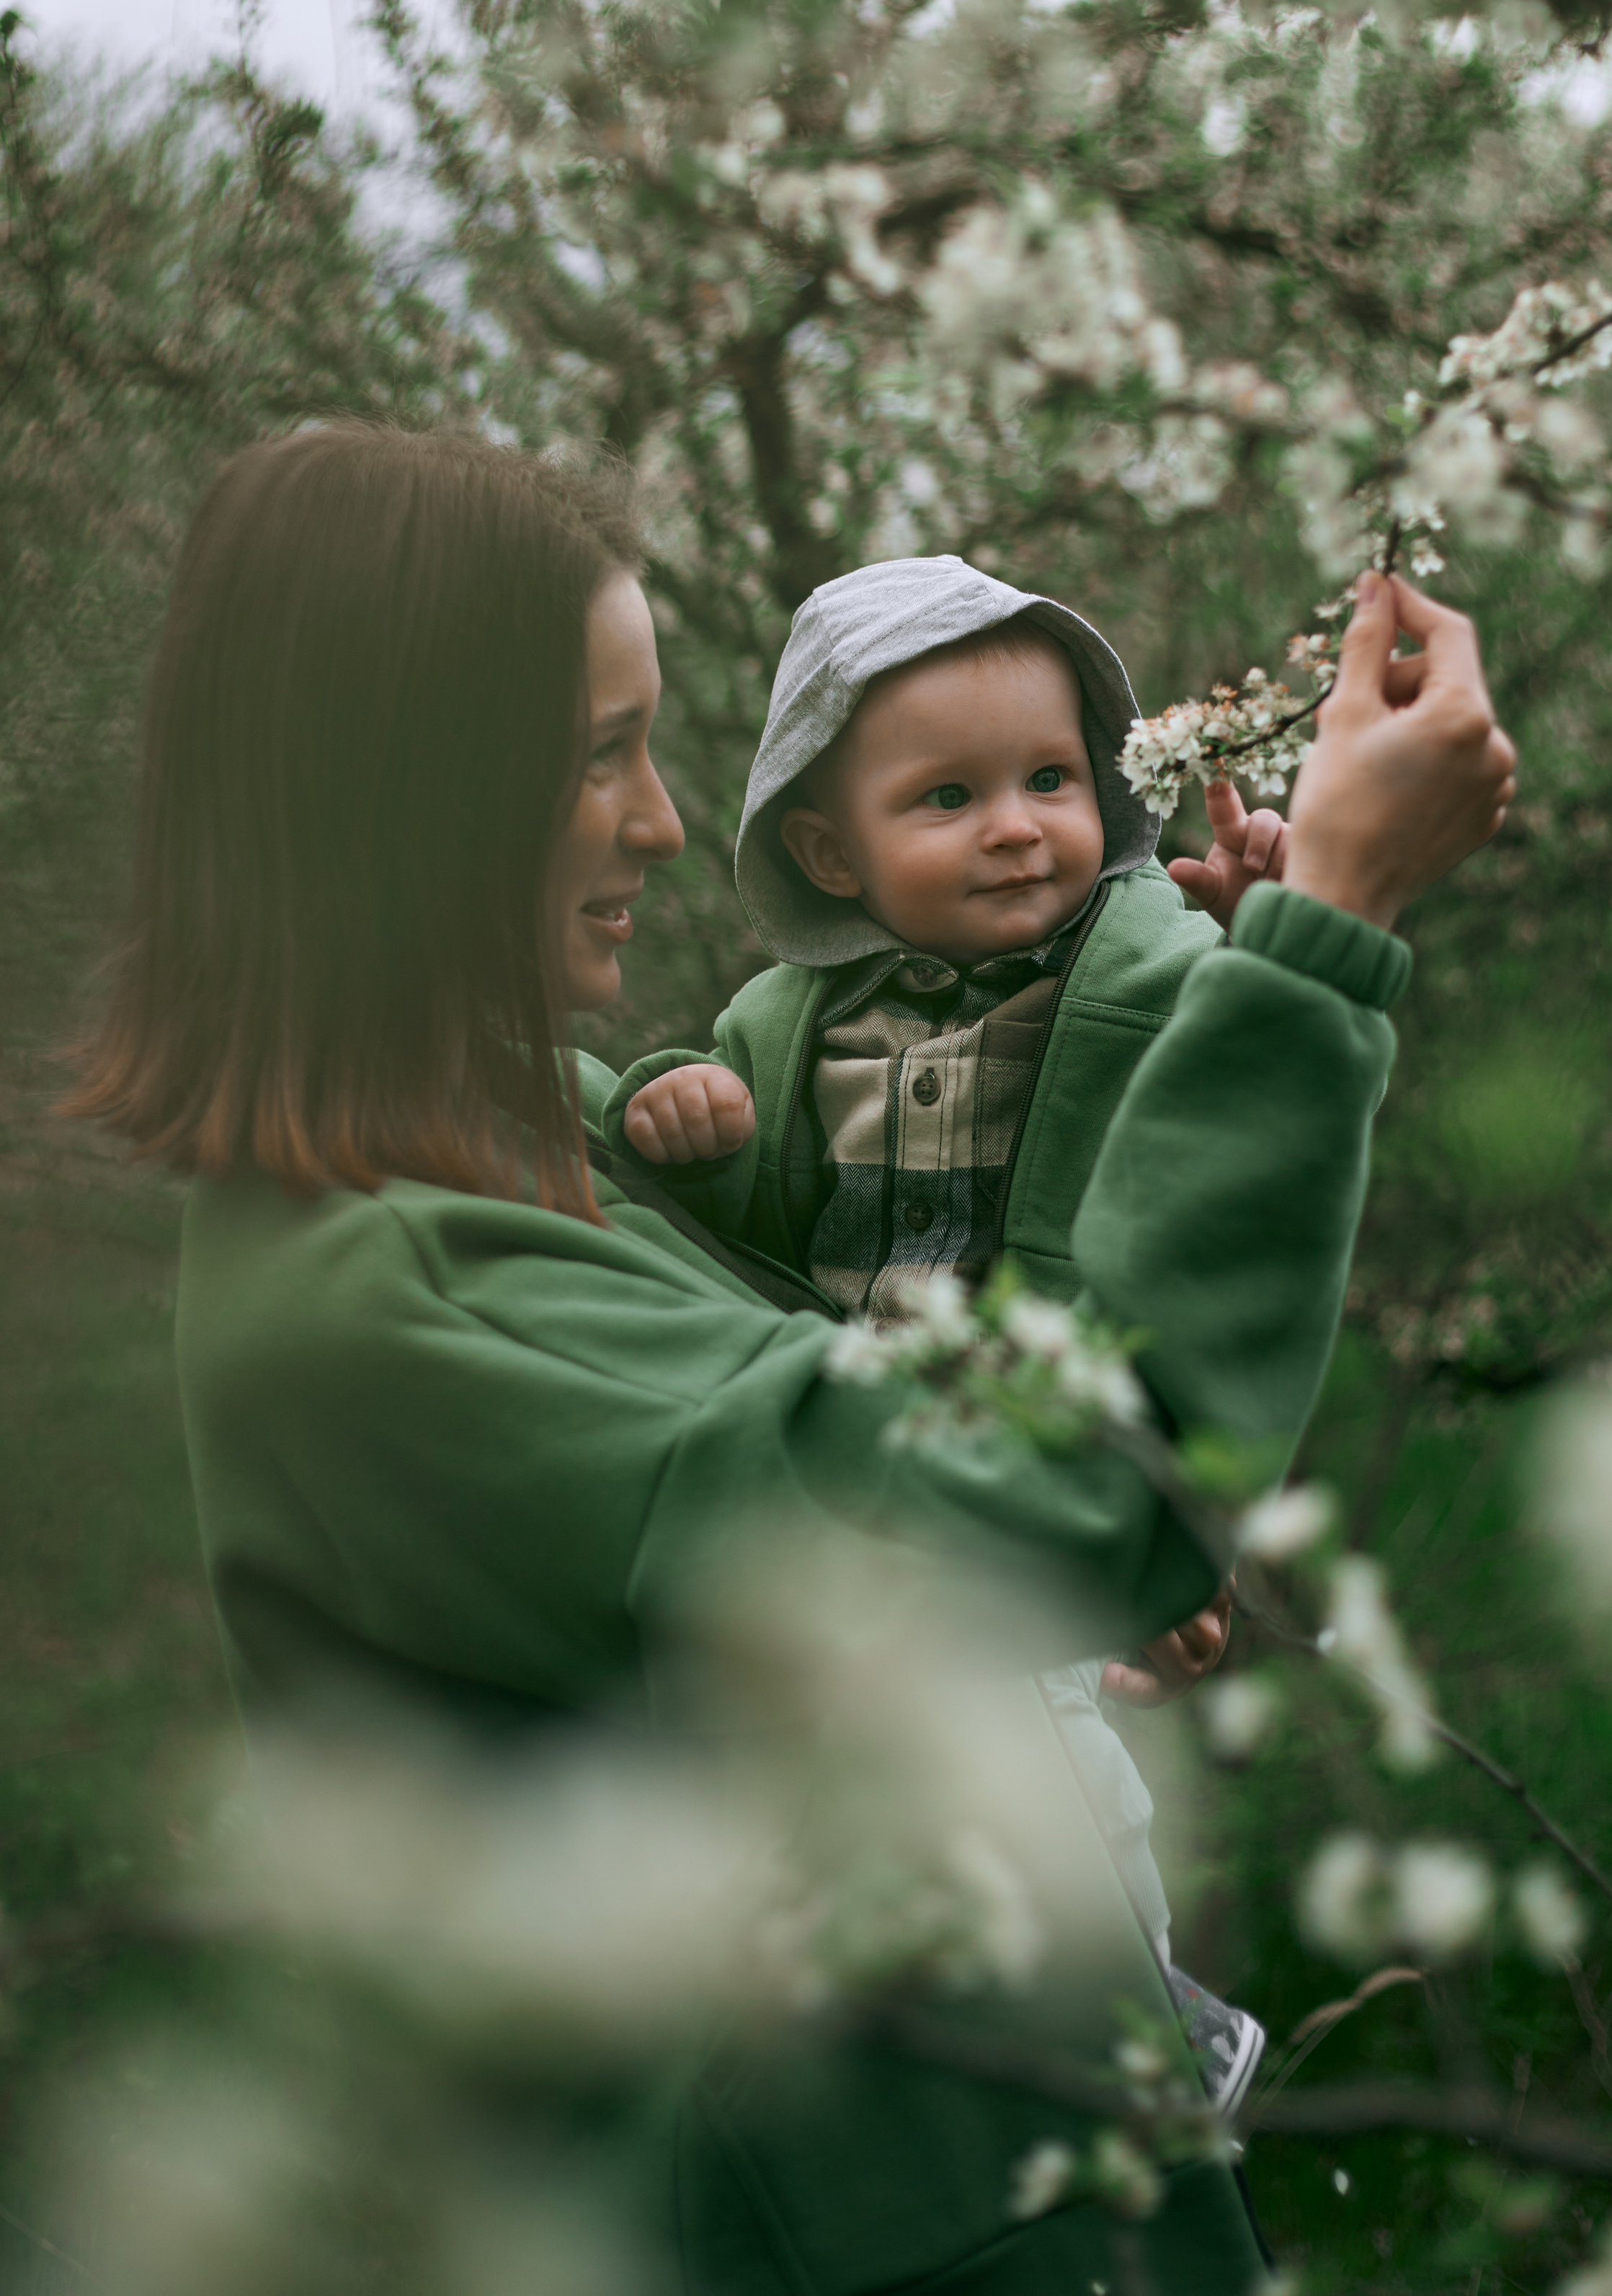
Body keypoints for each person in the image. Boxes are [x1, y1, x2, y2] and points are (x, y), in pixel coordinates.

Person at [68, 424, 1514, 2296]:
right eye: (603, 755)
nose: (668, 823)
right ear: (415, 800)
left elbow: (849, 1484)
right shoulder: (413, 1292)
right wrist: (1325, 945)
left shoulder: (534, 1162)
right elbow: (1083, 1478)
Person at [607, 555, 1287, 2109]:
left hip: (1026, 1469)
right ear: (825, 851)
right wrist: (679, 1101)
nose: (1013, 826)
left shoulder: (1131, 969)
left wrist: (1261, 941)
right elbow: (736, 1215)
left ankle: (1151, 2032)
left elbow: (1242, 1142)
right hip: (843, 1478)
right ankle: (917, 2063)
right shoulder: (785, 1028)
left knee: (1063, 1780)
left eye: (1051, 778)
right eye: (946, 797)